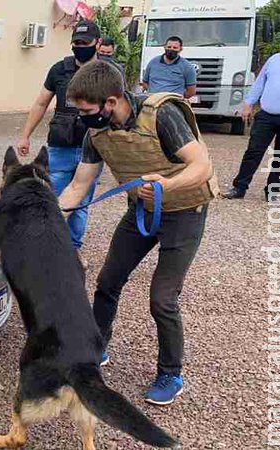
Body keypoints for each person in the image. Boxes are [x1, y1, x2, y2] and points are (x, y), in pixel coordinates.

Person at [59, 61, 218, 406]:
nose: (83, 117)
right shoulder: (95, 134)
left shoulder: (161, 115)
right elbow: (77, 187)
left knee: (162, 298)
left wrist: (169, 184)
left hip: (185, 213)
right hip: (141, 212)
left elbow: (202, 164)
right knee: (107, 281)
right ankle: (95, 349)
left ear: (112, 102)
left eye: (87, 111)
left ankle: (171, 374)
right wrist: (48, 219)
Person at [16, 20, 118, 261]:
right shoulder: (59, 70)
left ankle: (71, 248)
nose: (80, 47)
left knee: (81, 201)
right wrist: (25, 135)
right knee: (53, 196)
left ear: (98, 43)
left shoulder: (109, 72)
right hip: (60, 146)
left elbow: (118, 109)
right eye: (76, 43)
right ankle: (48, 244)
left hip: (92, 148)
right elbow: (41, 102)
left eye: (86, 43)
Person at [223, 41, 280, 201]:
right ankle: (239, 187)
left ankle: (273, 191)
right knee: (253, 152)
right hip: (267, 115)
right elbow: (259, 83)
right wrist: (248, 104)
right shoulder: (275, 59)